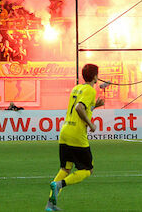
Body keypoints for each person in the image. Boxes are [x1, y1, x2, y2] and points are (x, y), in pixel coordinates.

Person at [46, 64, 105, 211]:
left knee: (65, 169)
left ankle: (50, 205)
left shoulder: (76, 88)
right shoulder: (90, 90)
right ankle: (60, 184)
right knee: (88, 170)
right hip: (77, 135)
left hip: (65, 132)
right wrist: (91, 124)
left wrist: (94, 106)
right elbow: (79, 108)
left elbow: (79, 107)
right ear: (95, 77)